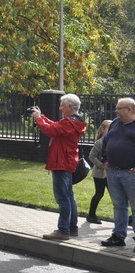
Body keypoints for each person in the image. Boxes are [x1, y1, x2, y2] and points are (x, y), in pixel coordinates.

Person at [31, 94, 87, 241]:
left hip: (61, 162)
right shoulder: (73, 121)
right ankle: (72, 228)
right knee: (69, 196)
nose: (60, 107)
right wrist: (41, 116)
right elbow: (55, 126)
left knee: (63, 198)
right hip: (67, 161)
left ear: (70, 106)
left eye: (62, 105)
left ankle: (63, 230)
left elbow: (50, 131)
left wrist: (38, 119)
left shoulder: (69, 123)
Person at [99, 98, 135, 249]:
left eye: (120, 109)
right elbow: (106, 141)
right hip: (113, 171)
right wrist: (105, 159)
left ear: (130, 110)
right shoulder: (114, 123)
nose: (116, 111)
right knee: (119, 205)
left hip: (131, 173)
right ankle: (118, 236)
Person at [86, 120, 111, 224]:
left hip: (110, 174)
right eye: (109, 128)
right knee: (99, 194)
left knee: (116, 196)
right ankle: (91, 215)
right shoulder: (100, 142)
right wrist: (101, 165)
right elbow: (91, 156)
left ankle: (128, 218)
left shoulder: (113, 141)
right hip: (100, 174)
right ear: (103, 129)